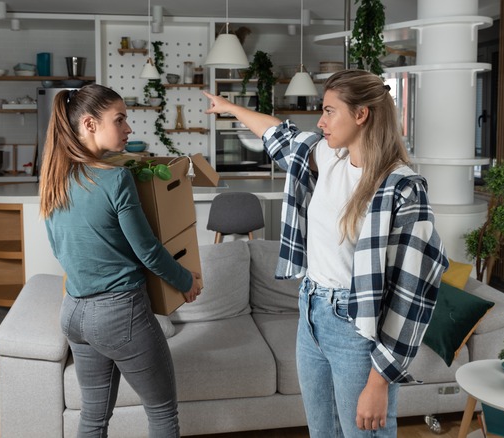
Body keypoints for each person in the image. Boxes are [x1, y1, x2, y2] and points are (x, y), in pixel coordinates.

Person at [204, 69, 448, 437]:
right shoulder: (328, 158)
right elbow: (276, 134)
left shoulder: (402, 187)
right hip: (311, 312)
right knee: (322, 432)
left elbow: (412, 291)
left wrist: (380, 381)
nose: (320, 121)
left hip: (356, 328)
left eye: (330, 110)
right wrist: (229, 107)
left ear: (361, 114)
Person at [39, 83, 202, 438]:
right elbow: (147, 250)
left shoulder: (54, 178)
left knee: (93, 418)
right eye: (120, 119)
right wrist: (186, 280)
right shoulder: (116, 178)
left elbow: (60, 247)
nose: (129, 128)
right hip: (119, 314)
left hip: (74, 314)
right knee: (162, 414)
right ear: (90, 124)